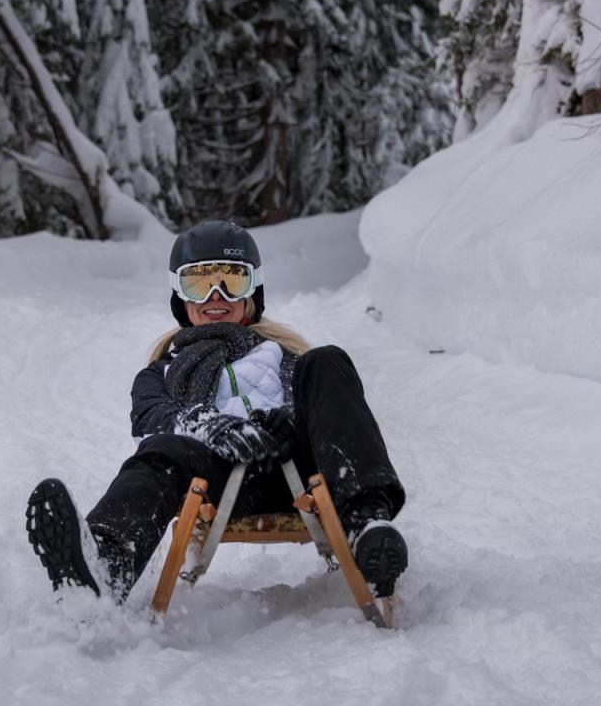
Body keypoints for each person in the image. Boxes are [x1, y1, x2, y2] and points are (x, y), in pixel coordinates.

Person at [26, 219, 407, 603]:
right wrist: (205, 425)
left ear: (252, 291)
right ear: (181, 296)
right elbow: (150, 421)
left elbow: (326, 411)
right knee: (161, 451)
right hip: (220, 480)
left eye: (231, 280)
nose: (215, 295)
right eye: (199, 283)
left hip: (297, 473)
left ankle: (367, 524)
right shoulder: (160, 372)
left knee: (326, 361)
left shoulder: (286, 356)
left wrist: (290, 422)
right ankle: (105, 564)